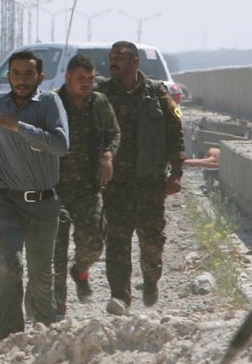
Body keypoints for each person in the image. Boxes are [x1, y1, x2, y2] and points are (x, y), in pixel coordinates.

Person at [0, 50, 69, 340]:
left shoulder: (49, 103)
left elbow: (61, 145)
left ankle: (44, 338)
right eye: (16, 74)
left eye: (28, 74)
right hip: (7, 201)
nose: (21, 80)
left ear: (40, 77)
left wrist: (20, 127)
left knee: (41, 277)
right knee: (10, 265)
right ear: (8, 77)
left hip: (44, 203)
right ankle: (10, 339)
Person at [98, 40, 185, 316]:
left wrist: (176, 173)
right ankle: (120, 295)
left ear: (134, 62)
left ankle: (151, 279)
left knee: (152, 241)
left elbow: (175, 133)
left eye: (119, 57)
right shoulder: (102, 95)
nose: (113, 62)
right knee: (117, 242)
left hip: (149, 182)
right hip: (115, 185)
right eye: (111, 57)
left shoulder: (157, 93)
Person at [53, 54, 120, 318]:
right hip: (55, 188)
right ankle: (57, 306)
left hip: (87, 187)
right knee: (56, 250)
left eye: (90, 79)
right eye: (80, 78)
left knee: (93, 241)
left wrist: (107, 155)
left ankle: (80, 270)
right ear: (68, 77)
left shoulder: (98, 103)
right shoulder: (52, 103)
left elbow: (114, 132)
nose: (86, 83)